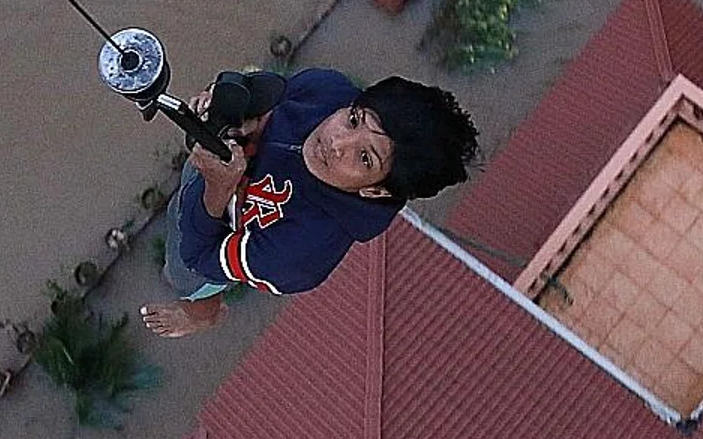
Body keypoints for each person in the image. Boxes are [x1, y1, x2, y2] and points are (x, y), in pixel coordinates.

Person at [139, 68, 478, 338]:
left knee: (184, 277)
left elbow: (199, 256)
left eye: (363, 158)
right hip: (212, 173)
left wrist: (217, 186)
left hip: (219, 231)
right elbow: (268, 87)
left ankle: (204, 314)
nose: (335, 141)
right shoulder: (326, 89)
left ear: (376, 191)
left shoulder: (300, 255)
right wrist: (230, 104)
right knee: (182, 203)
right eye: (354, 120)